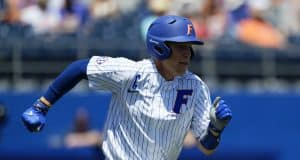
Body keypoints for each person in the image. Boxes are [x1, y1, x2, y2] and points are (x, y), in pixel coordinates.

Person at [22, 15, 232, 159]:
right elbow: (79, 68)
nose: (187, 53)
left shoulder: (196, 86)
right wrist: (42, 105)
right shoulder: (131, 71)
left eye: (189, 47)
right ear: (159, 47)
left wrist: (216, 129)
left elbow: (206, 148)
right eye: (179, 46)